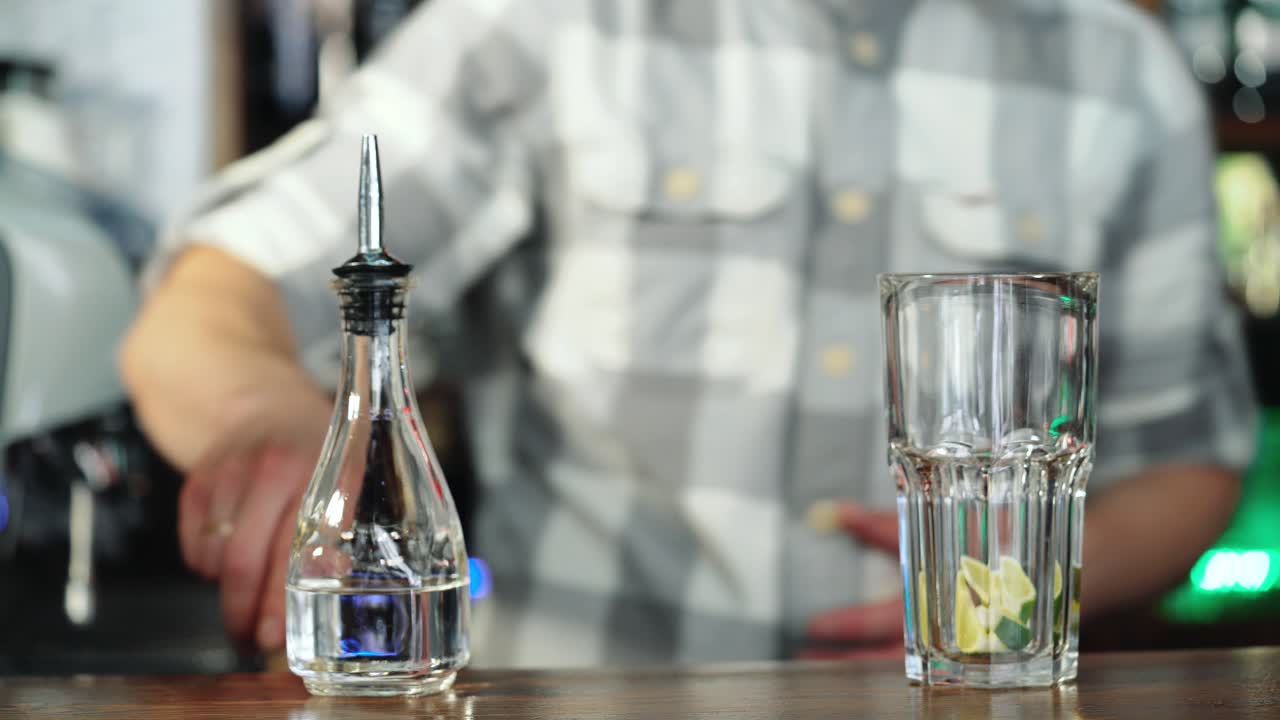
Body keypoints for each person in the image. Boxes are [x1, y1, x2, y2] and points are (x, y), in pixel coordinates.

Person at [121, 0, 1256, 667]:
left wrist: (1009, 603)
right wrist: (272, 419)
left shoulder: (1118, 67)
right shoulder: (542, 24)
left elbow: (1189, 458)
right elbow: (214, 295)